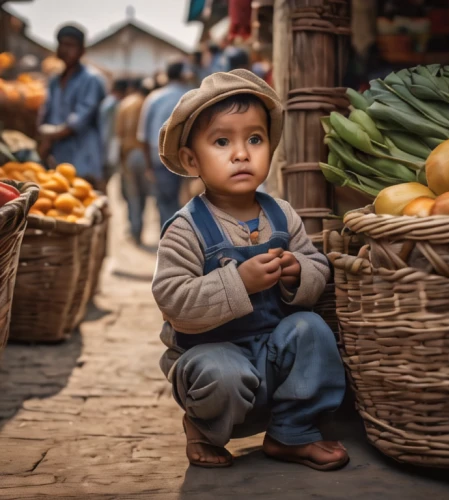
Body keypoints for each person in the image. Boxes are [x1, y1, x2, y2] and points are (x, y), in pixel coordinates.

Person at [152, 70, 348, 471]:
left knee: (311, 329)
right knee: (220, 373)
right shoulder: (186, 228)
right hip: (212, 355)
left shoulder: (282, 215)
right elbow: (173, 299)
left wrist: (298, 272)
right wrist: (237, 282)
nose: (241, 153)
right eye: (222, 142)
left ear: (270, 149)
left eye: (254, 139)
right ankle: (203, 427)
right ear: (192, 159)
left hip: (273, 354)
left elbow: (317, 265)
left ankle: (291, 431)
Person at [38, 24, 106, 190]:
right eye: (62, 44)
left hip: (83, 159)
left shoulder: (92, 79)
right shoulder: (54, 81)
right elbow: (46, 112)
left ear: (82, 50)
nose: (65, 49)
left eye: (70, 45)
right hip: (58, 160)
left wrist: (51, 135)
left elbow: (80, 119)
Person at [137, 61, 191, 227]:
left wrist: (148, 165)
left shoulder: (154, 98)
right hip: (188, 157)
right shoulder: (191, 96)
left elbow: (143, 135)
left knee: (166, 203)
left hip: (160, 157)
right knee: (187, 203)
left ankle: (169, 241)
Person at [114, 78, 150, 245]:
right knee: (144, 194)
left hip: (129, 154)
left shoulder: (125, 104)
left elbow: (119, 133)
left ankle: (134, 229)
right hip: (145, 153)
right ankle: (140, 228)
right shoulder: (148, 103)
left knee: (133, 194)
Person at [99, 78, 128, 183]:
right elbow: (109, 130)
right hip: (108, 147)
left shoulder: (109, 102)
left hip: (106, 146)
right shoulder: (113, 105)